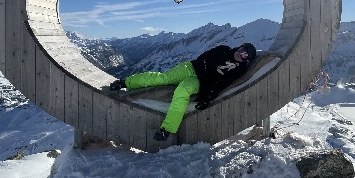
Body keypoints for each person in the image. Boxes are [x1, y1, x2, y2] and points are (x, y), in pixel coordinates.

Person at [109, 43, 257, 141]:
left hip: (198, 82)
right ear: (240, 47)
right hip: (191, 68)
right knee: (162, 78)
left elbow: (224, 84)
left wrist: (208, 97)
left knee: (182, 91)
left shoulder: (239, 69)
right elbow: (202, 60)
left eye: (245, 56)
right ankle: (125, 82)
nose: (241, 54)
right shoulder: (223, 49)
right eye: (242, 50)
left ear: (246, 60)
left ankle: (167, 128)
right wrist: (206, 86)